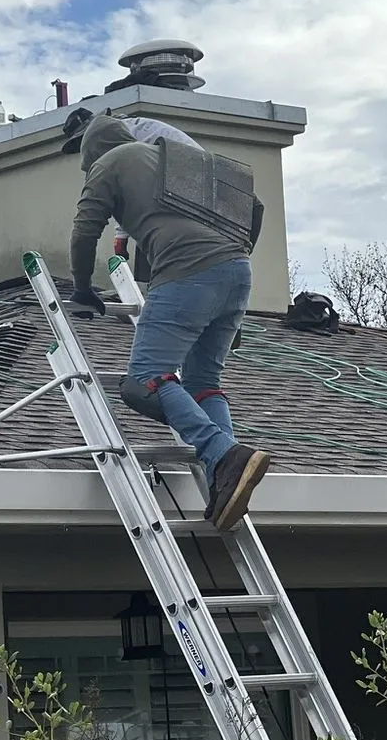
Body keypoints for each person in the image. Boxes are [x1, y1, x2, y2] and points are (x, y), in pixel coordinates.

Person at [67, 115, 268, 532]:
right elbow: (255, 206)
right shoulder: (175, 157)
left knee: (143, 381)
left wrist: (83, 288)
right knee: (203, 383)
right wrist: (233, 262)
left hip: (185, 272)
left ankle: (223, 452)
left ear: (91, 154)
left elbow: (85, 230)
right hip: (237, 271)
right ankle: (224, 477)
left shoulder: (111, 161)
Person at [62, 107, 202, 260]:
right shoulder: (128, 129)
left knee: (158, 233)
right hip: (192, 182)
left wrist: (121, 235)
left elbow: (121, 187)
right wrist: (122, 234)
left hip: (186, 183)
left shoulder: (115, 135)